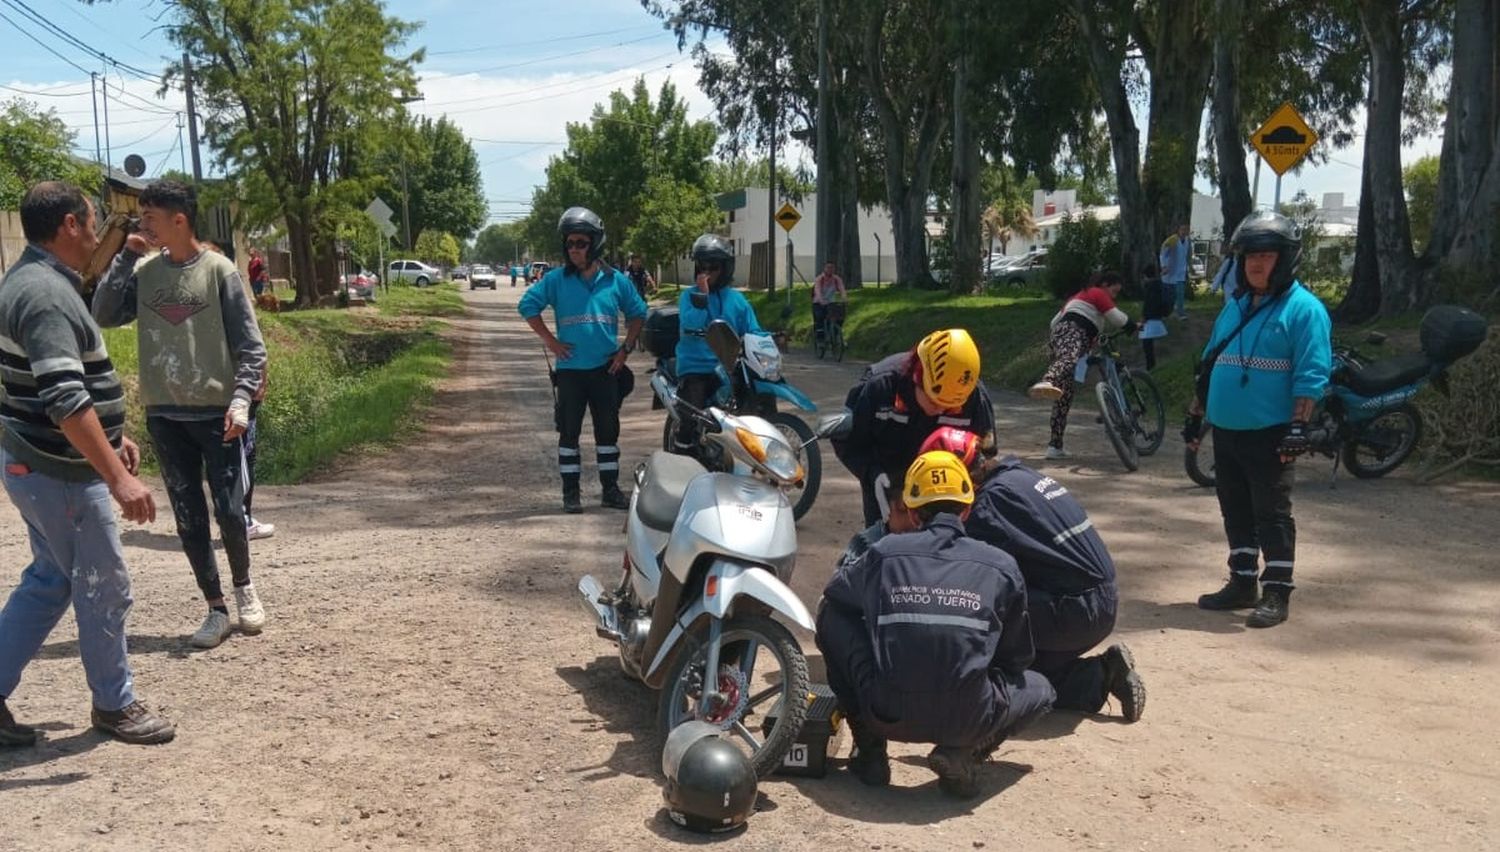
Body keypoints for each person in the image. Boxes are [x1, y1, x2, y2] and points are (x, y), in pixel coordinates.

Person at [0, 181, 175, 745]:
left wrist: (112, 436)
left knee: (52, 579)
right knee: (103, 582)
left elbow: (63, 393)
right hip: (62, 473)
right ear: (70, 225)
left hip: (40, 463)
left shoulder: (33, 281)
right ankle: (114, 704)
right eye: (93, 220)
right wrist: (117, 476)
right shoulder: (47, 296)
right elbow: (65, 399)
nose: (99, 232)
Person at [816, 451, 1055, 797]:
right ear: (968, 509)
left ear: (912, 512)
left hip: (886, 711)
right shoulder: (1002, 566)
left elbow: (835, 596)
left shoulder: (884, 554)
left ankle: (870, 753)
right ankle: (963, 752)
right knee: (1042, 688)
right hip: (969, 715)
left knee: (831, 615)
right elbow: (1016, 659)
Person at [94, 179, 269, 650]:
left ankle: (244, 588)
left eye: (150, 216)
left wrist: (241, 399)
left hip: (217, 413)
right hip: (165, 415)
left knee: (230, 510)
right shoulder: (146, 272)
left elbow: (251, 346)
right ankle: (215, 608)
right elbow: (105, 312)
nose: (142, 222)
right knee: (189, 516)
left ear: (179, 219)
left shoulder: (219, 271)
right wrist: (125, 256)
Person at [921, 427, 1145, 722]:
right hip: (1099, 603)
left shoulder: (989, 504)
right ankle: (1103, 675)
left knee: (974, 617)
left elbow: (970, 572)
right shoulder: (1021, 475)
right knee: (1032, 670)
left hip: (1073, 612)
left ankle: (988, 696)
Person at [1182, 210, 1332, 629]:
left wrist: (1298, 426)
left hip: (1271, 432)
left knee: (1272, 513)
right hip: (1227, 431)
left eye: (1266, 256)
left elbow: (1312, 372)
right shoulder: (1236, 308)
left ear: (1285, 260)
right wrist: (1196, 417)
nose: (1255, 264)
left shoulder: (1304, 310)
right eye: (1249, 256)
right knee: (1235, 508)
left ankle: (1277, 591)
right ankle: (1242, 582)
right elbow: (1211, 364)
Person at [519, 207, 647, 513]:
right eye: (570, 243)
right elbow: (527, 306)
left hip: (605, 370)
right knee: (569, 433)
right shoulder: (556, 280)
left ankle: (610, 490)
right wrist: (551, 341)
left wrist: (625, 349)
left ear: (596, 244)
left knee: (607, 433)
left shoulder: (616, 281)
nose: (574, 249)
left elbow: (638, 314)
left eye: (581, 242)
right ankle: (571, 494)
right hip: (570, 373)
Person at [832, 328, 994, 526]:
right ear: (917, 377)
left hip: (947, 501)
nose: (940, 410)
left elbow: (985, 458)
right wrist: (871, 474)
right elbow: (850, 442)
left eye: (950, 408)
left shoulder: (974, 397)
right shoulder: (880, 386)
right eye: (934, 402)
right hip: (889, 490)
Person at [669, 234, 764, 453]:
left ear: (726, 268)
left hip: (730, 364)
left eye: (714, 266)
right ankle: (682, 452)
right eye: (703, 265)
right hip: (697, 365)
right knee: (693, 409)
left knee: (755, 395)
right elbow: (689, 322)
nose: (707, 271)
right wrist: (703, 295)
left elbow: (752, 328)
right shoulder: (689, 296)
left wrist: (768, 338)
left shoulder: (736, 299)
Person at [1028, 271, 1137, 459]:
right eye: (1114, 291)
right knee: (1069, 359)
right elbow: (1118, 319)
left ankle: (1055, 446)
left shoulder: (1078, 298)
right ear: (1104, 284)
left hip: (1061, 337)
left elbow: (1054, 322)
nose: (1114, 296)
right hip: (1073, 333)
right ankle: (1048, 380)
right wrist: (1134, 326)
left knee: (1064, 397)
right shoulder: (1096, 293)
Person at [243, 366, 275, 540]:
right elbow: (256, 347)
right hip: (243, 389)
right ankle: (243, 521)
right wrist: (262, 380)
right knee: (245, 457)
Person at [1139, 262, 1170, 370]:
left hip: (1150, 318)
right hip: (1158, 316)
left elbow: (1148, 304)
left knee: (1147, 344)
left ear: (1145, 277)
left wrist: (1144, 317)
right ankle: (1152, 365)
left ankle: (1150, 366)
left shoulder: (1150, 288)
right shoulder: (1160, 285)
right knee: (1149, 343)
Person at [1159, 222, 1192, 320]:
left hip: (1181, 272)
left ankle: (1180, 313)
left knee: (1180, 294)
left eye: (1186, 229)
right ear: (1178, 230)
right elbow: (1162, 253)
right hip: (1169, 272)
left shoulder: (1188, 240)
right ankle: (1164, 313)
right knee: (1168, 295)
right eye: (1182, 229)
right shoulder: (1172, 240)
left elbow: (1188, 254)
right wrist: (1164, 266)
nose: (1184, 231)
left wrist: (1190, 267)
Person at [812, 259, 846, 346]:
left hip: (831, 303)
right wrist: (821, 300)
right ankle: (820, 339)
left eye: (832, 268)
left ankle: (836, 336)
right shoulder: (819, 279)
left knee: (839, 317)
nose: (830, 269)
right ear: (824, 268)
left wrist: (844, 298)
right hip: (818, 303)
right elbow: (817, 290)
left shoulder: (836, 279)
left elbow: (842, 289)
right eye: (828, 267)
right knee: (820, 318)